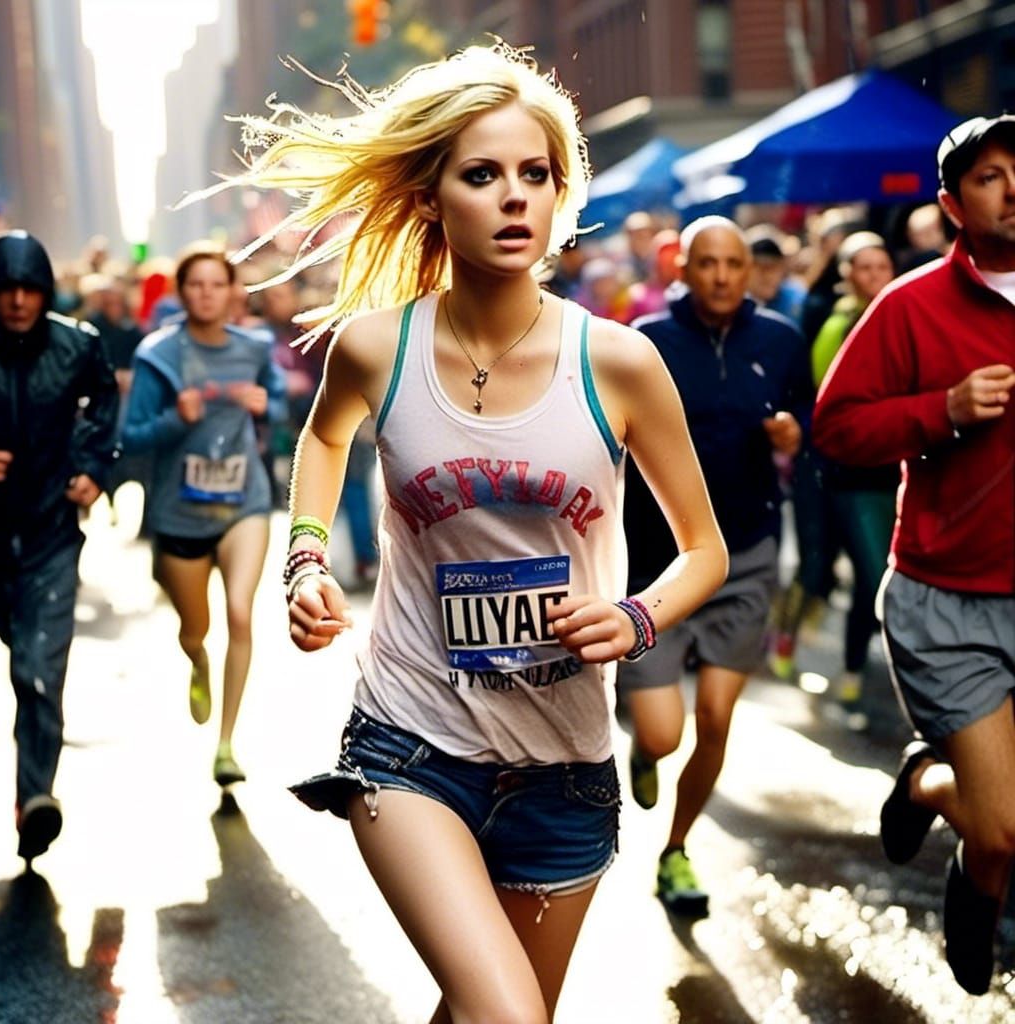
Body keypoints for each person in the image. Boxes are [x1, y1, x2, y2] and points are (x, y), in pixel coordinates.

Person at [207, 42, 727, 1022]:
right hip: (411, 743)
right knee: (508, 1015)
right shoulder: (375, 345)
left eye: (535, 174)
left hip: (564, 768)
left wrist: (637, 616)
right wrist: (305, 559)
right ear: (433, 194)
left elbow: (704, 548)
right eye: (482, 174)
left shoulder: (617, 362)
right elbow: (321, 442)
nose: (514, 197)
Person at [813, 114, 1015, 996]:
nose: (1014, 188)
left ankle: (975, 868)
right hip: (946, 594)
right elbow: (838, 429)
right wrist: (943, 410)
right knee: (1001, 826)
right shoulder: (911, 306)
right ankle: (929, 780)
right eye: (990, 176)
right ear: (951, 203)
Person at [618, 216, 811, 915]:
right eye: (709, 263)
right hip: (657, 565)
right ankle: (643, 751)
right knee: (664, 734)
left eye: (735, 263)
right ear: (685, 270)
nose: (725, 276)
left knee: (717, 717)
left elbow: (811, 423)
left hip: (747, 554)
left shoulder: (782, 342)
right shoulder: (647, 345)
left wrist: (795, 433)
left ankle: (675, 850)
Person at [121, 245, 286, 787]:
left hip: (245, 502)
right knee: (198, 628)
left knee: (240, 612)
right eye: (196, 285)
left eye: (218, 284)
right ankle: (197, 660)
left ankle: (226, 745)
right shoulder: (159, 356)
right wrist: (176, 418)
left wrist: (269, 406)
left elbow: (283, 408)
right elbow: (132, 437)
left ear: (233, 291)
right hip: (180, 512)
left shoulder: (255, 348)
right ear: (181, 292)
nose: (208, 294)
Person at [0, 230, 119, 864]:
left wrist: (93, 466)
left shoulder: (77, 346)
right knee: (25, 662)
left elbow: (104, 404)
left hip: (48, 533)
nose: (17, 300)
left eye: (29, 288)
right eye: (6, 289)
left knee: (36, 672)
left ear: (45, 291)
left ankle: (34, 798)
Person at [798, 231, 899, 729]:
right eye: (866, 267)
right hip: (850, 476)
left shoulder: (905, 318)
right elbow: (828, 411)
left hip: (899, 471)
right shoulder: (836, 325)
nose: (877, 276)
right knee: (870, 575)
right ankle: (854, 672)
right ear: (847, 274)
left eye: (884, 266)